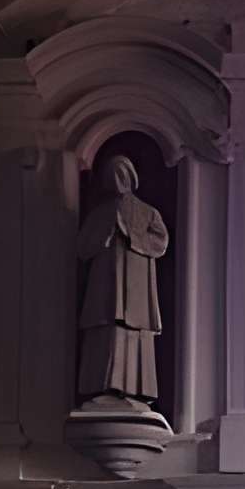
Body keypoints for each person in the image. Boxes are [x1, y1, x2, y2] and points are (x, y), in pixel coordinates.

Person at [75, 152, 169, 405]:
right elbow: (82, 247)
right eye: (112, 174)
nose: (117, 179)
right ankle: (104, 387)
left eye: (122, 173)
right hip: (105, 286)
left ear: (131, 177)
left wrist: (132, 238)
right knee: (106, 329)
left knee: (134, 330)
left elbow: (161, 242)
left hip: (136, 288)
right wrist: (103, 236)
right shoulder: (99, 214)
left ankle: (134, 390)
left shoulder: (147, 212)